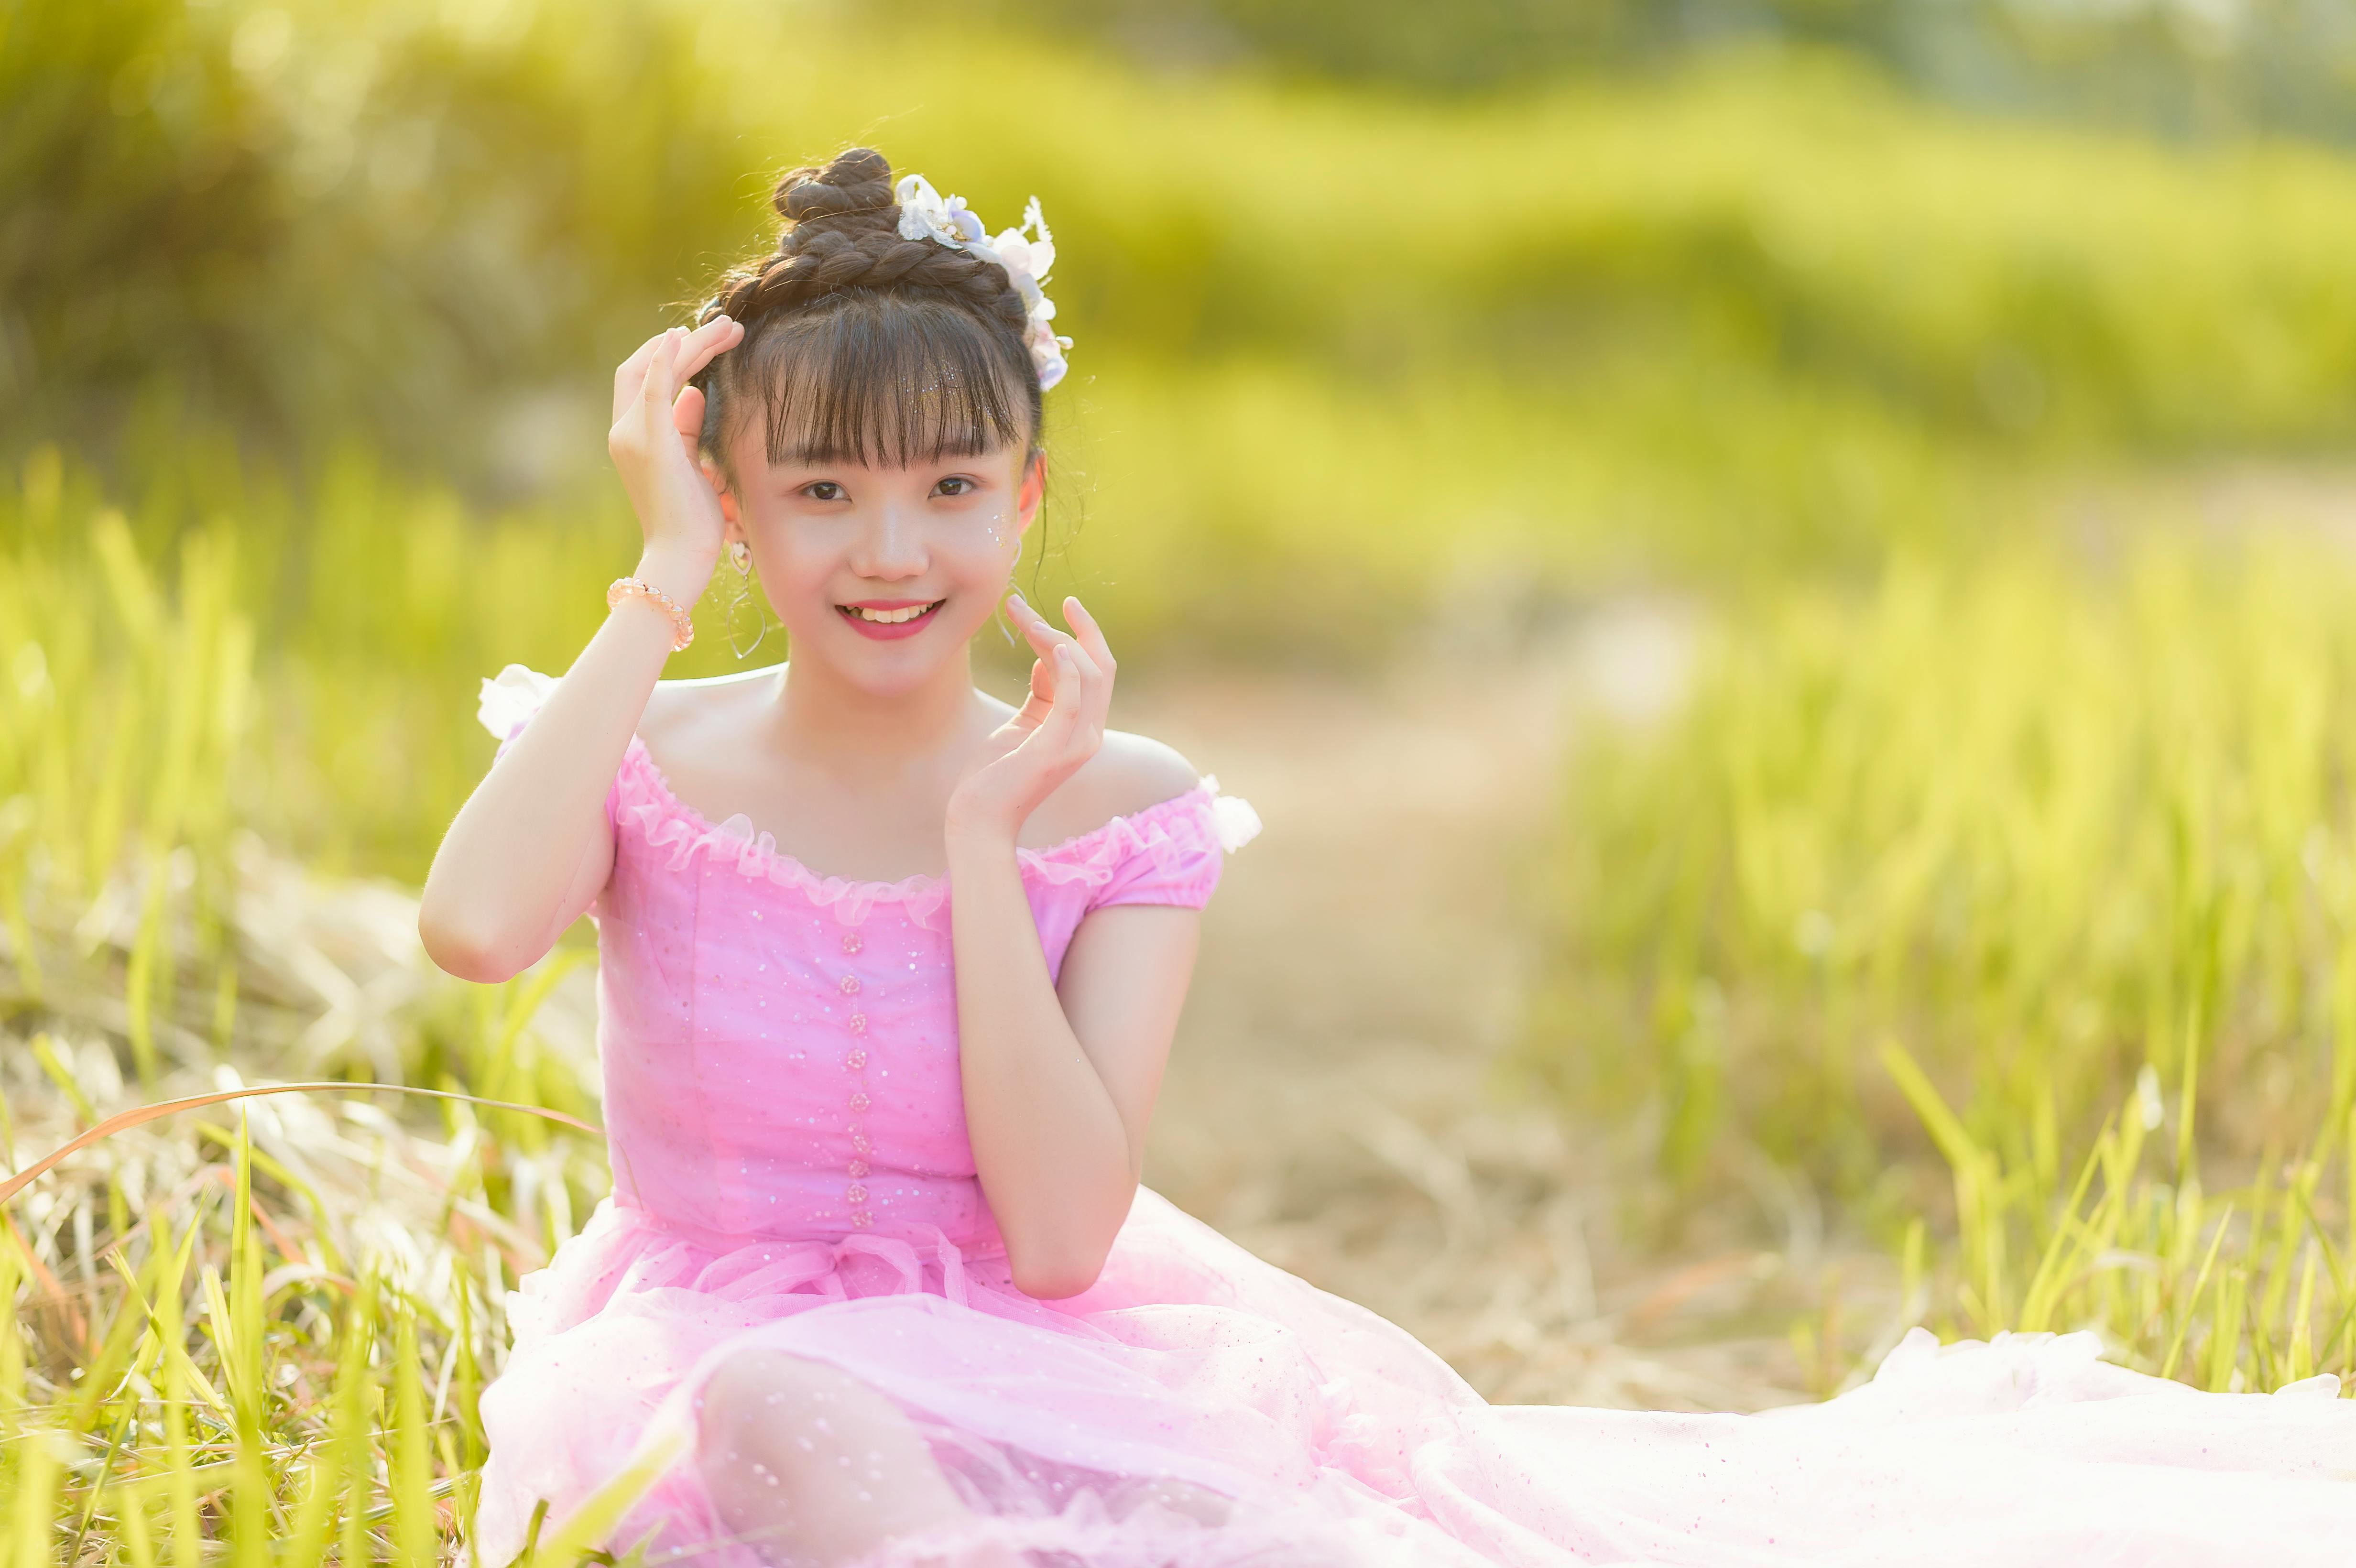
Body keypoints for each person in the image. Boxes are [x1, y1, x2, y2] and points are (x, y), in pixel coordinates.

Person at [421, 148, 2356, 1568]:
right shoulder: (644, 746)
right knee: (766, 1407)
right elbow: (472, 928)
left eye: (947, 486)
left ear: (1024, 493)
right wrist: (652, 592)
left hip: (1034, 1355)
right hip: (711, 1354)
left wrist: (981, 840)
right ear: (733, 502)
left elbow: (1062, 1239)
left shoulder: (1115, 803)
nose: (889, 550)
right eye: (818, 493)